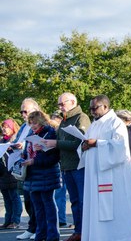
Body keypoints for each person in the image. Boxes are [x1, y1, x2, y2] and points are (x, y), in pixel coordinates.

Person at [79, 95, 131, 241]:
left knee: (115, 209)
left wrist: (97, 143)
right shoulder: (94, 125)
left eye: (95, 108)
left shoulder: (116, 123)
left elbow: (120, 148)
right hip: (94, 175)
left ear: (105, 106)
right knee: (95, 207)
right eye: (91, 108)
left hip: (113, 176)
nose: (92, 111)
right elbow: (84, 144)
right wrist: (84, 146)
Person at [42, 93, 91, 241]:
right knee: (75, 201)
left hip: (79, 166)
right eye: (59, 104)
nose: (60, 107)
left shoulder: (81, 118)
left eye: (63, 104)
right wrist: (45, 145)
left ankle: (85, 231)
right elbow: (60, 141)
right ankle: (78, 231)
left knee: (83, 201)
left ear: (73, 102)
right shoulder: (64, 120)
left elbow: (80, 143)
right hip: (67, 166)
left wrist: (56, 143)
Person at [22, 111, 61, 241]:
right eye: (31, 123)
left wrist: (35, 160)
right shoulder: (31, 133)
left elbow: (54, 157)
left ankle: (52, 235)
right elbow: (28, 150)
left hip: (47, 174)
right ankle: (40, 234)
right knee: (37, 208)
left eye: (35, 123)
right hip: (33, 175)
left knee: (48, 206)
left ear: (42, 121)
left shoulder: (50, 132)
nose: (33, 126)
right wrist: (24, 155)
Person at [13, 98, 40, 240]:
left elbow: (39, 144)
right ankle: (32, 227)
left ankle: (40, 228)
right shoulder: (24, 127)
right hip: (25, 168)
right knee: (28, 200)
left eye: (26, 111)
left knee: (39, 202)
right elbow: (19, 140)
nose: (23, 114)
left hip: (37, 167)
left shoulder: (41, 125)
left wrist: (22, 146)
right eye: (21, 111)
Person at [0, 119, 23, 229]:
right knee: (6, 199)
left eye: (7, 127)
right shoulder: (1, 141)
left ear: (13, 128)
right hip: (2, 174)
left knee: (15, 197)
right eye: (3, 127)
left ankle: (15, 221)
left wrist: (11, 148)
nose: (4, 129)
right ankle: (7, 220)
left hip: (13, 173)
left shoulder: (16, 140)